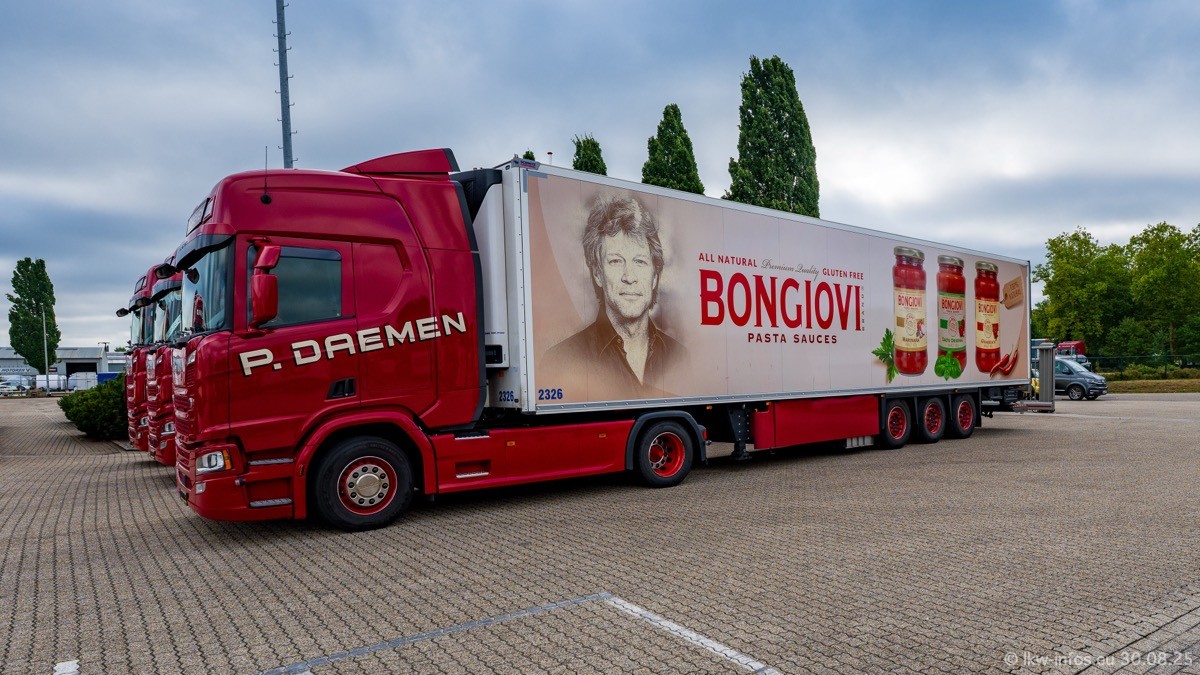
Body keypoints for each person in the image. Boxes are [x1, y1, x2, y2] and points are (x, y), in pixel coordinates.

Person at [542, 194, 686, 400]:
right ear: (598, 274)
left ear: (655, 276)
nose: (629, 277)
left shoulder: (680, 356)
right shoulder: (561, 361)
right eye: (616, 261)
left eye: (640, 262)